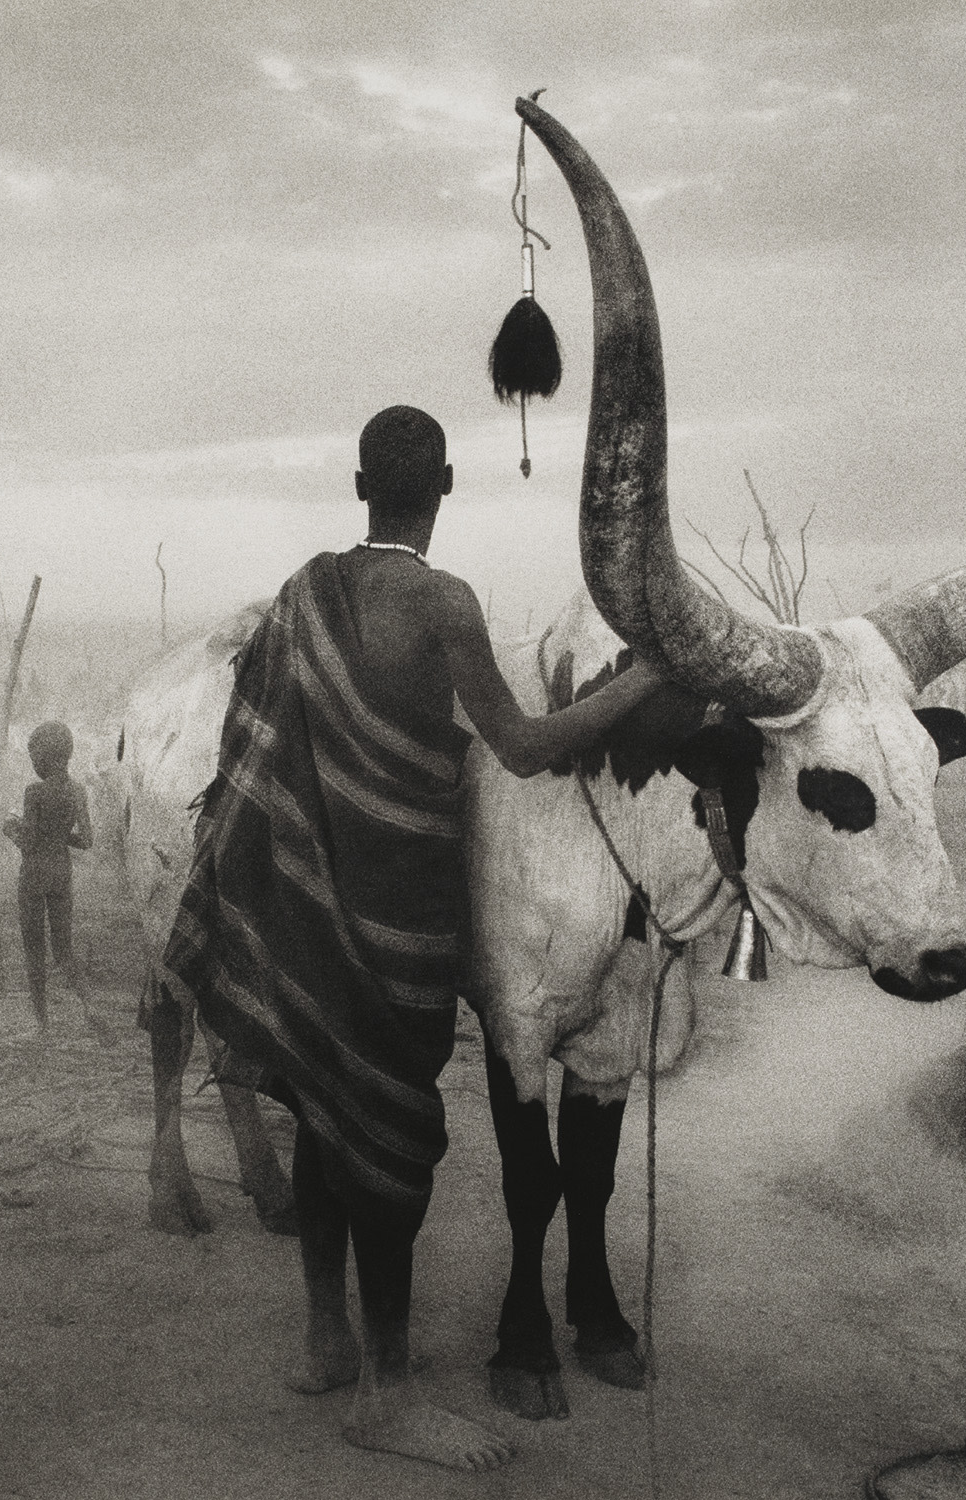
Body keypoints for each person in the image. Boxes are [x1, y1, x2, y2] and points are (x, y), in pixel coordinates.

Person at [159, 406, 668, 1473]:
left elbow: (251, 745)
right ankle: (385, 1396)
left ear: (359, 485)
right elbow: (524, 749)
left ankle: (326, 1341)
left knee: (316, 1100)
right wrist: (638, 687)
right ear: (447, 483)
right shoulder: (442, 601)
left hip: (300, 902)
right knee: (382, 1132)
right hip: (394, 914)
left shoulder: (302, 593)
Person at [1, 721, 92, 1032]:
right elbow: (86, 841)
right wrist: (59, 834)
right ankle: (88, 1007)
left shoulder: (34, 792)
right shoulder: (78, 791)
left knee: (34, 951)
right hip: (61, 872)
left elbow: (28, 843)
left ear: (42, 757)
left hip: (34, 874)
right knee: (64, 950)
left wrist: (9, 827)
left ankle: (41, 1025)